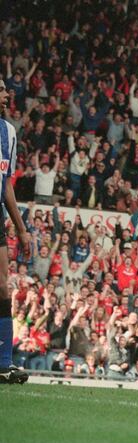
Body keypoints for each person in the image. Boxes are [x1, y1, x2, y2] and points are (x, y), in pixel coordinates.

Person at [0, 79, 32, 384]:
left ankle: (3, 363)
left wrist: (21, 229)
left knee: (3, 288)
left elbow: (6, 182)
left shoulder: (7, 131)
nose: (5, 94)